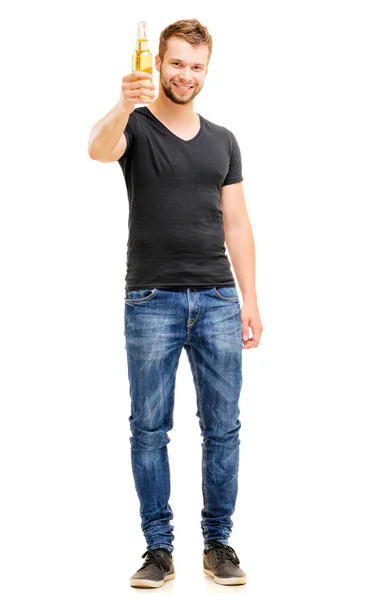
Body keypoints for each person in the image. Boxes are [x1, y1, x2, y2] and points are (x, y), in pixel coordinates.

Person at [88, 18, 263, 588]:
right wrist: (121, 102)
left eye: (196, 66)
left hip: (217, 298)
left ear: (206, 71)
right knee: (148, 430)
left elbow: (236, 222)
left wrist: (250, 300)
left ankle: (219, 543)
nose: (185, 74)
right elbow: (96, 148)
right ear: (158, 64)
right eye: (177, 63)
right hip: (150, 299)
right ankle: (158, 550)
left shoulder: (223, 141)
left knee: (224, 428)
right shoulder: (134, 127)